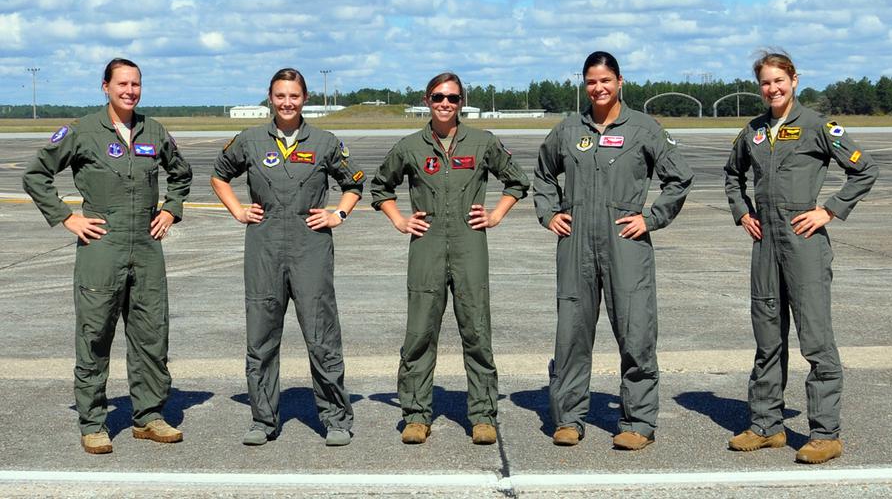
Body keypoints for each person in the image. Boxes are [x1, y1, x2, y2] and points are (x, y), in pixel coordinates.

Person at [22, 58, 192, 454]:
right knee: (95, 334)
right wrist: (67, 217)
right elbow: (35, 175)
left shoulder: (154, 131)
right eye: (122, 84)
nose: (130, 91)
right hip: (102, 247)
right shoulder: (82, 132)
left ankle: (148, 416)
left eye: (136, 84)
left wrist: (171, 209)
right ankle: (93, 422)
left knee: (151, 334)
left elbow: (181, 175)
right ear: (105, 87)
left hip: (147, 249)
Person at [724, 51, 878, 464]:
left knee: (815, 340)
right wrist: (742, 213)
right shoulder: (754, 131)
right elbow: (731, 175)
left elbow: (865, 170)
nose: (772, 89)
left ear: (794, 80)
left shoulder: (818, 126)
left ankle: (825, 433)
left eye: (779, 80)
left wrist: (828, 209)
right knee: (767, 340)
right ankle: (766, 425)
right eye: (765, 83)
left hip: (804, 244)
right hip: (765, 246)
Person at [534, 51, 693, 449]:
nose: (598, 88)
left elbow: (679, 178)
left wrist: (651, 218)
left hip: (626, 243)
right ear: (584, 84)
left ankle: (638, 422)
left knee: (636, 332)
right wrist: (550, 213)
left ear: (620, 81)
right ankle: (568, 418)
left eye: (605, 80)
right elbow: (541, 172)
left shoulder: (643, 128)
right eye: (591, 81)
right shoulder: (570, 130)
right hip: (575, 246)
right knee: (571, 334)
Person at [370, 72, 529, 445]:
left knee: (476, 330)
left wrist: (495, 214)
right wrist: (399, 219)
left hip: (469, 245)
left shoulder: (482, 143)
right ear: (427, 100)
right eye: (439, 97)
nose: (445, 104)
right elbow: (379, 187)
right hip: (425, 247)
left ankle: (483, 414)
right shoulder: (409, 146)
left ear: (462, 102)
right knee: (420, 332)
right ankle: (415, 414)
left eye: (453, 98)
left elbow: (518, 181)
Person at [211, 68, 362, 447]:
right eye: (280, 95)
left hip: (310, 247)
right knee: (261, 336)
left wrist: (338, 214)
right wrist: (238, 210)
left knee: (321, 336)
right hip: (263, 248)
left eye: (294, 96)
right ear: (270, 97)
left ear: (304, 98)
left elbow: (355, 183)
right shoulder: (249, 140)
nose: (287, 102)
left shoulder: (325, 141)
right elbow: (219, 175)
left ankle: (336, 418)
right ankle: (263, 419)